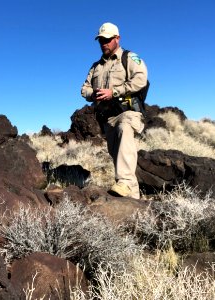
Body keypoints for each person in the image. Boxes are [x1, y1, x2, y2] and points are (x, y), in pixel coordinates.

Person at [81, 22, 148, 199]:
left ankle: (124, 182)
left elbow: (141, 79)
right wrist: (94, 94)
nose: (104, 43)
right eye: (101, 40)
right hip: (108, 118)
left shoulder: (129, 58)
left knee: (124, 128)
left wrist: (114, 91)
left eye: (108, 40)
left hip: (128, 112)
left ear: (117, 39)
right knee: (117, 154)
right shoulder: (95, 66)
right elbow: (84, 89)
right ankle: (133, 200)